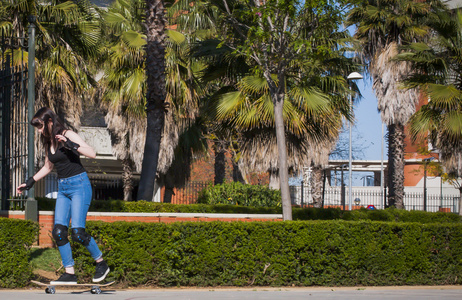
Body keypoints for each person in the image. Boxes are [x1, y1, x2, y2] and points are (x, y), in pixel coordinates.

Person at [17, 107, 110, 285]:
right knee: (59, 232)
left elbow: (92, 152)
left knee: (77, 232)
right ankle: (69, 273)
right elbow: (47, 167)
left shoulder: (68, 134)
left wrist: (70, 144)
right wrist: (29, 182)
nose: (38, 131)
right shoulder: (48, 142)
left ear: (50, 122)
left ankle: (101, 263)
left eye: (40, 126)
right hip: (63, 188)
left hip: (79, 186)